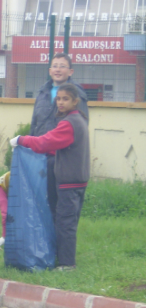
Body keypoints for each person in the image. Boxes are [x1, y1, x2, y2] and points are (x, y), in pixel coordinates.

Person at [11, 83, 90, 271]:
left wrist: (22, 140)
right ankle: (59, 257)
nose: (61, 102)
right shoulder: (78, 120)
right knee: (64, 219)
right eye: (59, 98)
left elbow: (45, 142)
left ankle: (67, 264)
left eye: (65, 99)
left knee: (65, 222)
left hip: (69, 182)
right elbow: (58, 146)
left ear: (75, 101)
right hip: (77, 179)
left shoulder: (69, 124)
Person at [31, 53, 88, 217]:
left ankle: (60, 240)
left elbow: (81, 125)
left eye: (62, 66)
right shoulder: (42, 93)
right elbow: (34, 123)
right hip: (41, 157)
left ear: (70, 71)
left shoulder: (77, 94)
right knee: (44, 203)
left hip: (63, 161)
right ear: (50, 70)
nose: (58, 69)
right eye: (55, 66)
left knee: (61, 210)